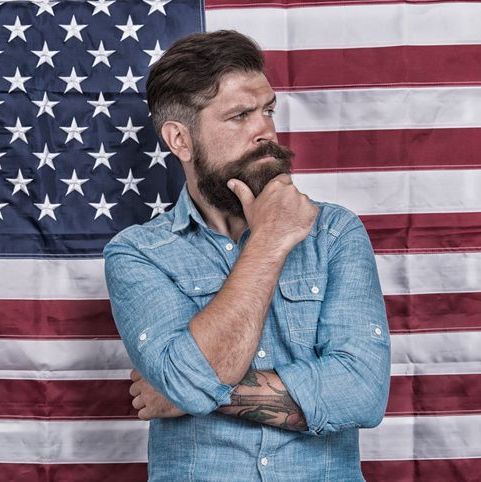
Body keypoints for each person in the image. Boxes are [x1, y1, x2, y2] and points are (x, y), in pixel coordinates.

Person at [104, 30, 391, 482]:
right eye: (240, 115)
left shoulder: (335, 232)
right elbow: (187, 380)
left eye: (268, 110)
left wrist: (187, 392)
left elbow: (362, 392)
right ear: (180, 140)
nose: (265, 131)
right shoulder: (137, 253)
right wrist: (270, 241)